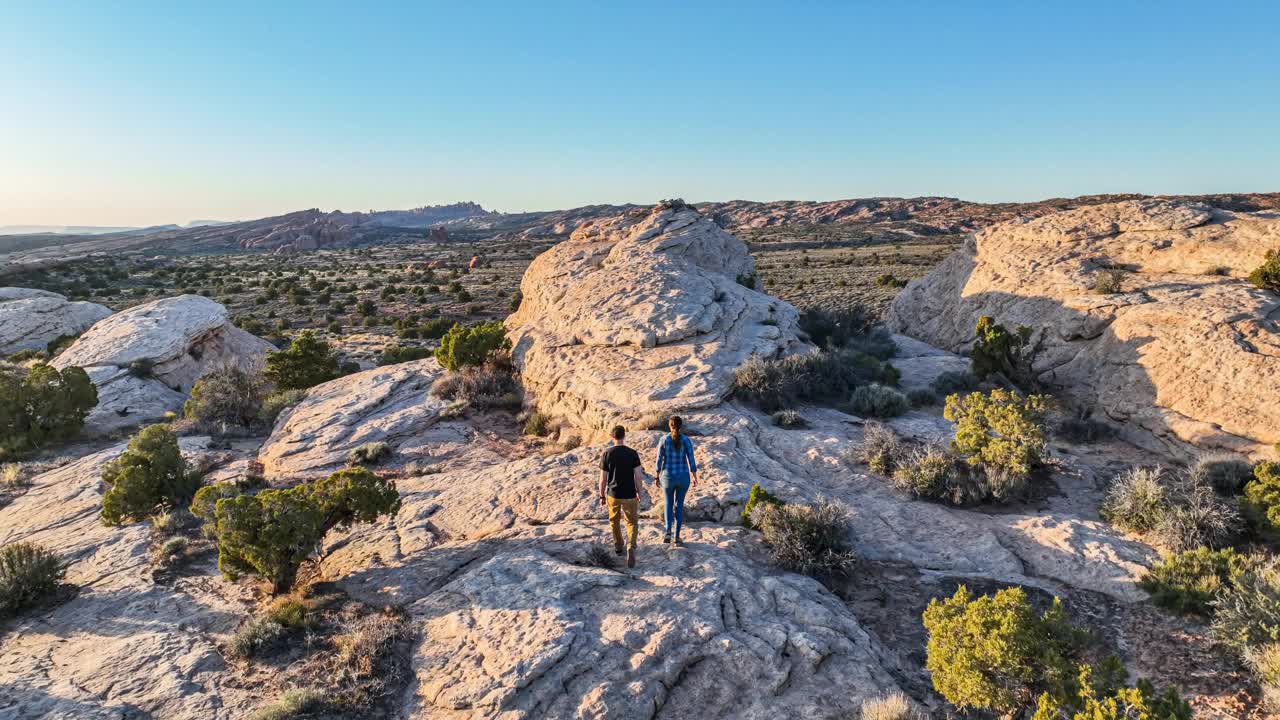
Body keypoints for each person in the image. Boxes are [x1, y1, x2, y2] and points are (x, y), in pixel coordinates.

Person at [599, 424, 644, 568]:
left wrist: (601, 496)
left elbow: (603, 479)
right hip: (630, 493)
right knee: (632, 522)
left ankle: (619, 546)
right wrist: (639, 492)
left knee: (614, 521)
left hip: (613, 494)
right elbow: (638, 476)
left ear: (612, 437)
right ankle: (631, 546)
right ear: (624, 436)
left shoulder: (606, 454)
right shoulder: (632, 453)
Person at [655, 415, 698, 546]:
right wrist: (695, 476)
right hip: (683, 477)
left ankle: (667, 532)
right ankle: (677, 536)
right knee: (679, 506)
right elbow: (691, 460)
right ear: (681, 425)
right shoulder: (686, 440)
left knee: (668, 504)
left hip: (668, 477)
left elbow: (659, 460)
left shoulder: (663, 439)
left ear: (670, 425)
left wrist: (657, 475)